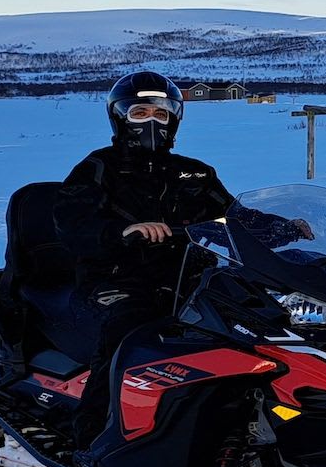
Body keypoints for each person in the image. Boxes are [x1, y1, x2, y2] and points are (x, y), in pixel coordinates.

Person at [52, 71, 236, 447]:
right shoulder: (98, 169)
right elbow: (72, 223)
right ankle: (93, 437)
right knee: (129, 331)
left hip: (189, 278)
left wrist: (281, 226)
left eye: (161, 113)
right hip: (117, 279)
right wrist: (122, 232)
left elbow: (231, 214)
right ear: (120, 117)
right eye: (140, 112)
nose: (152, 121)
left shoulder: (196, 173)